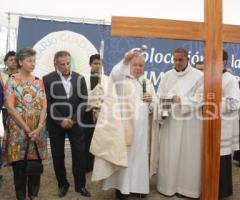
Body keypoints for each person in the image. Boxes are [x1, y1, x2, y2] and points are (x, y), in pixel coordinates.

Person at [90, 50, 156, 199]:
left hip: (142, 131)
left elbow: (154, 107)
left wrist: (151, 100)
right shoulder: (122, 79)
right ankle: (121, 189)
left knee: (139, 160)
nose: (138, 68)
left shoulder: (148, 82)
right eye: (135, 65)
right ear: (130, 66)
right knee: (125, 159)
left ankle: (138, 187)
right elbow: (115, 72)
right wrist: (125, 60)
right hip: (125, 128)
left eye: (140, 65)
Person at [156, 48, 203, 198]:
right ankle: (167, 187)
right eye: (175, 60)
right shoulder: (167, 76)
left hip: (190, 123)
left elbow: (201, 98)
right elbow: (159, 95)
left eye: (180, 60)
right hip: (170, 120)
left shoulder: (199, 76)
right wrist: (163, 105)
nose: (177, 63)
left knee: (188, 155)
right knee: (169, 153)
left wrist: (181, 100)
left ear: (187, 59)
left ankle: (187, 189)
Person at [43, 51, 91, 197]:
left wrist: (74, 119)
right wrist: (61, 120)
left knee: (79, 154)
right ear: (55, 64)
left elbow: (84, 101)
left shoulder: (80, 78)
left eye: (68, 63)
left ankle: (80, 185)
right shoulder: (47, 79)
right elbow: (48, 102)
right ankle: (62, 184)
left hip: (76, 124)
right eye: (62, 64)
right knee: (58, 155)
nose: (65, 67)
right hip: (55, 124)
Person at [2, 48, 47, 200]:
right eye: (29, 61)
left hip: (38, 132)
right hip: (19, 132)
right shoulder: (12, 81)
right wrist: (28, 129)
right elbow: (10, 107)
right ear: (20, 62)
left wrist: (39, 127)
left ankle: (34, 196)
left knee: (35, 166)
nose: (33, 63)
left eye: (34, 60)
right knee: (19, 167)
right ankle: (21, 197)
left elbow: (44, 105)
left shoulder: (38, 81)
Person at [219, 50, 240, 198]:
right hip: (205, 124)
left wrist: (212, 104)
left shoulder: (230, 79)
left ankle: (222, 190)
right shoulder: (205, 77)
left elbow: (234, 103)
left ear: (224, 61)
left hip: (223, 125)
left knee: (222, 158)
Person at [84, 54, 102, 173]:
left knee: (100, 139)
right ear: (90, 64)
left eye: (100, 63)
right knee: (87, 139)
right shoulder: (83, 78)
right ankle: (87, 165)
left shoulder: (105, 78)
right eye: (95, 63)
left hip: (101, 114)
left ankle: (99, 166)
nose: (98, 66)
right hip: (86, 113)